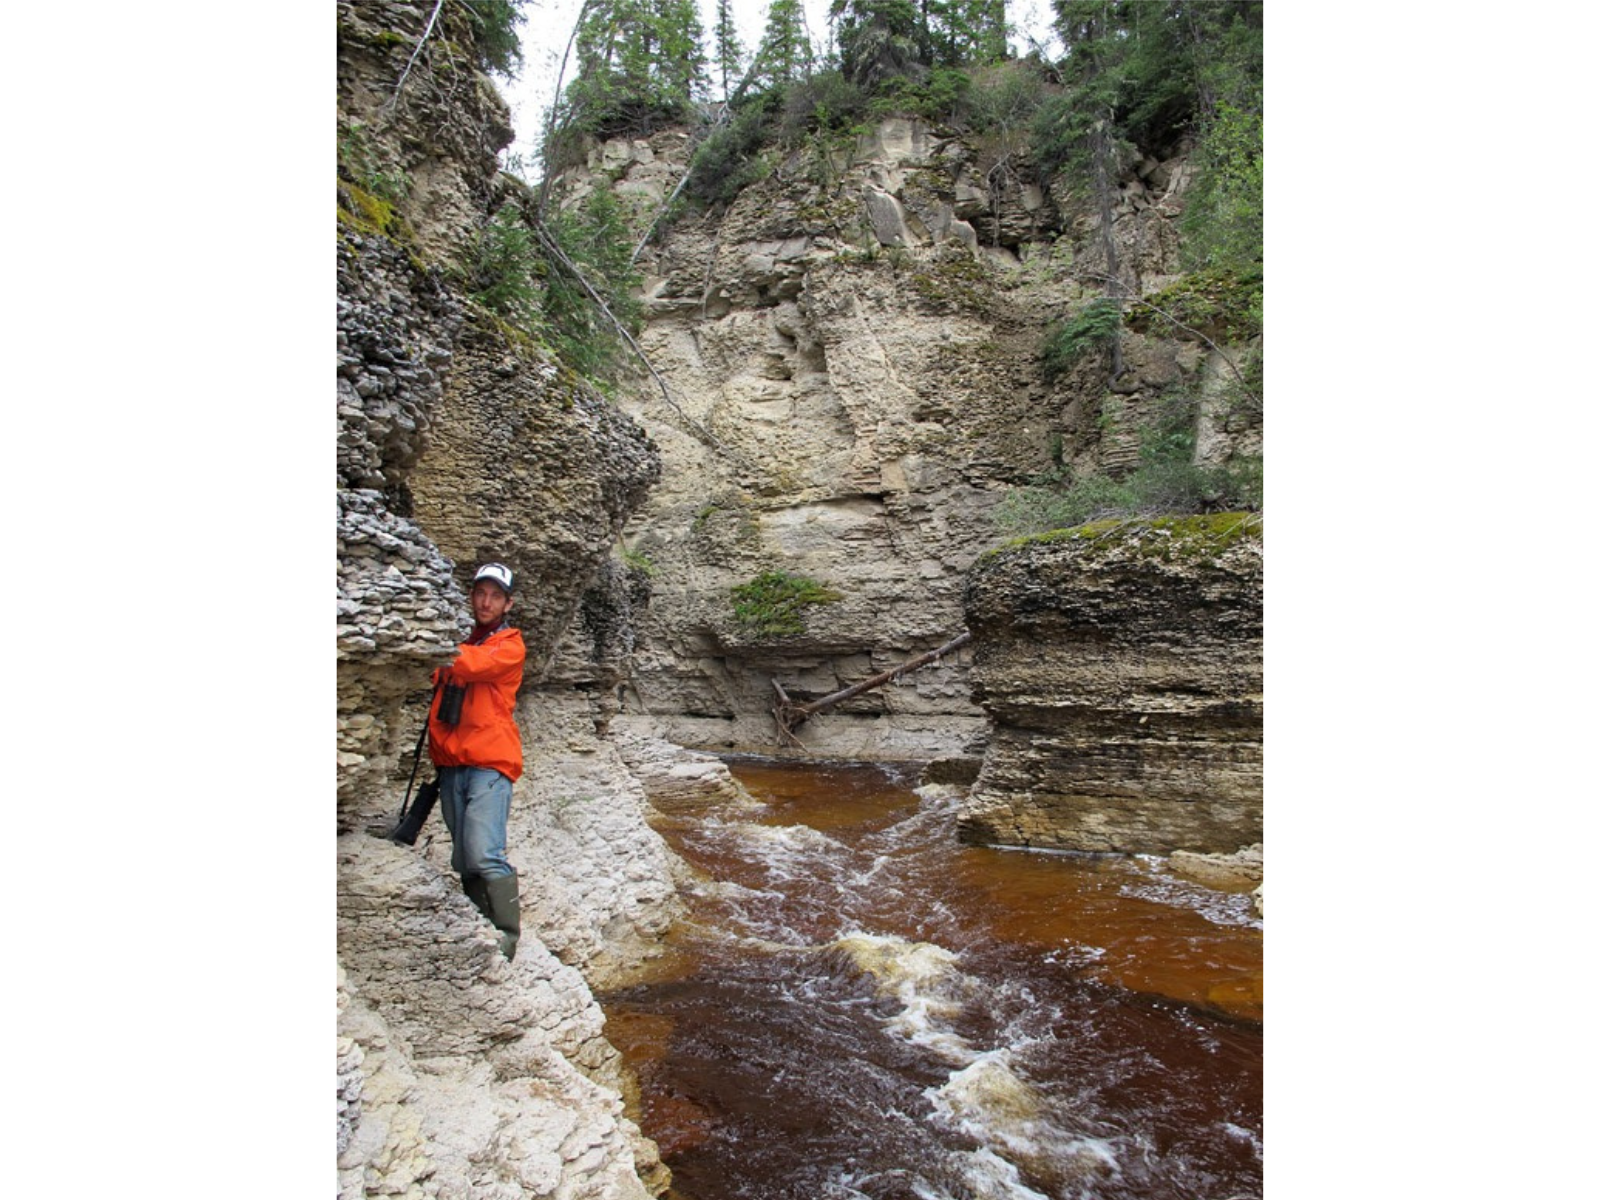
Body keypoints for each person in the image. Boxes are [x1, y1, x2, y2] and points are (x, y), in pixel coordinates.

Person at [428, 561, 526, 960]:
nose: (486, 602)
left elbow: (471, 665)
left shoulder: (509, 645)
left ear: (508, 604)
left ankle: (507, 936)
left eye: (495, 596)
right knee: (464, 857)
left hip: (489, 763)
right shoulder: (463, 638)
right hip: (451, 765)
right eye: (480, 593)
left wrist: (434, 641)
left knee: (484, 852)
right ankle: (478, 921)